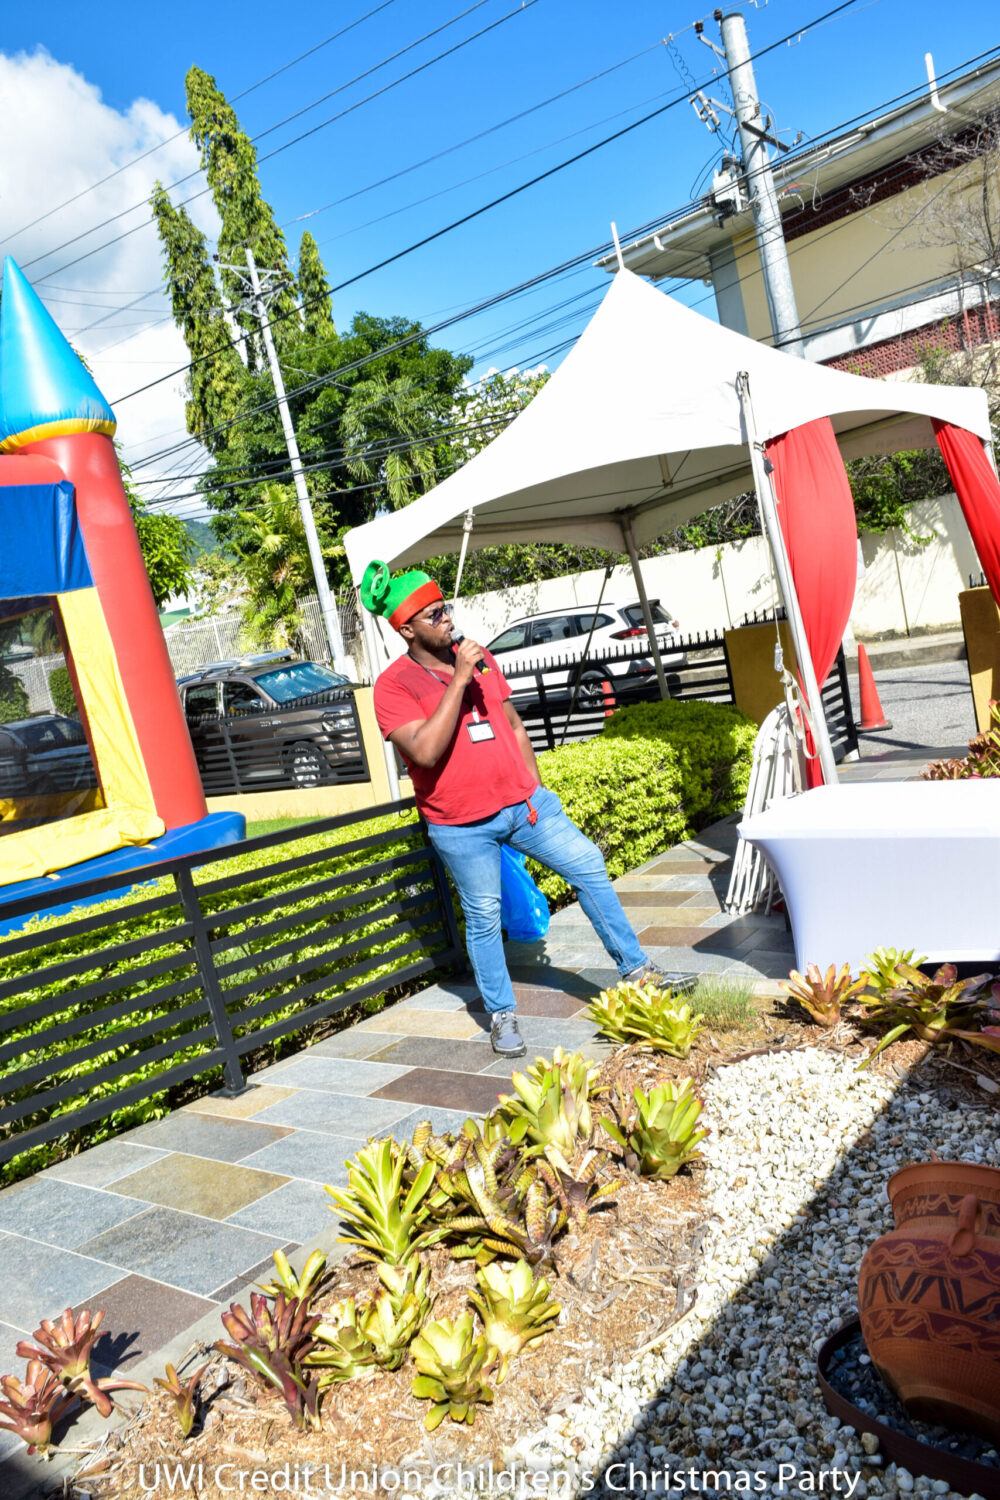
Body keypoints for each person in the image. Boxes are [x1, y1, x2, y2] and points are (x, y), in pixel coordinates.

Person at [361, 559, 693, 1058]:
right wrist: (459, 679)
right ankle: (501, 1014)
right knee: (483, 916)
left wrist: (533, 788)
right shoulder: (394, 686)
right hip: (462, 826)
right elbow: (424, 751)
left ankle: (639, 971)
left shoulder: (479, 658)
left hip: (525, 807)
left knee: (587, 863)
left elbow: (513, 724)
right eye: (433, 615)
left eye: (445, 608)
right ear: (406, 629)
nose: (446, 619)